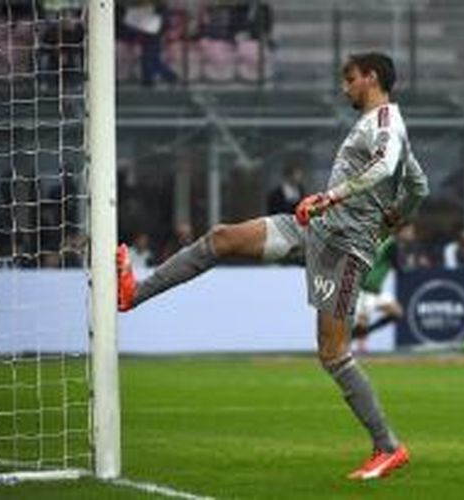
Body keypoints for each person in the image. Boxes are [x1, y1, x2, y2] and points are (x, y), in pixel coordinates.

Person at [117, 52, 429, 480]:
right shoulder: (377, 125)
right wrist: (399, 213)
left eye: (350, 79)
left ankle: (388, 447)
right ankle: (134, 293)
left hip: (344, 248)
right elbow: (417, 183)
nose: (344, 87)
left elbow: (388, 166)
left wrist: (330, 197)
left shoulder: (387, 124)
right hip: (315, 229)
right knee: (222, 238)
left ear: (371, 78)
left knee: (333, 353)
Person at [351, 233, 404, 354]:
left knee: (397, 312)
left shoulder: (385, 245)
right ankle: (354, 345)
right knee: (362, 322)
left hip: (377, 291)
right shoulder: (390, 244)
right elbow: (398, 263)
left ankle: (363, 334)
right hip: (366, 290)